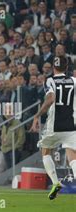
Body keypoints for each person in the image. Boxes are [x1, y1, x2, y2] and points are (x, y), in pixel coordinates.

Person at [30, 55, 76, 200]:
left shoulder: (50, 80)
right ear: (67, 67)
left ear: (53, 68)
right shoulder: (74, 81)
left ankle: (56, 182)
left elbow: (50, 99)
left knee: (46, 151)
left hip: (54, 125)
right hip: (71, 125)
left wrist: (37, 115)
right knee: (73, 156)